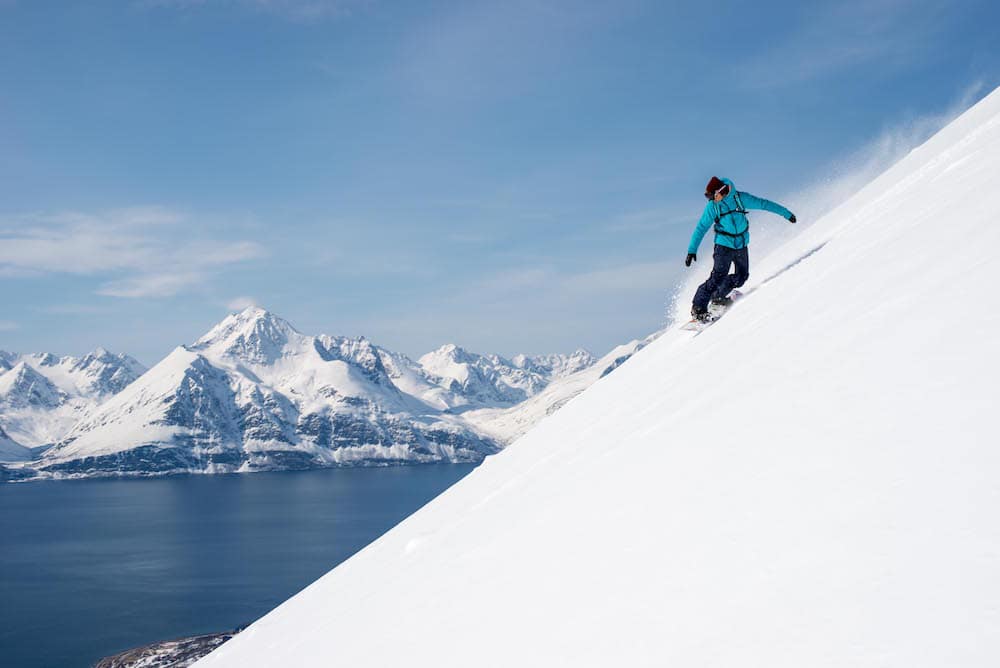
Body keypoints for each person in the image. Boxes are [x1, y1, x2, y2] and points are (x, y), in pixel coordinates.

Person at [685, 176, 796, 321]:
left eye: (713, 196)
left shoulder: (740, 198)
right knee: (718, 276)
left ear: (720, 191)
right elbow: (701, 227)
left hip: (741, 244)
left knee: (742, 276)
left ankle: (718, 297)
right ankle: (698, 308)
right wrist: (692, 250)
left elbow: (764, 204)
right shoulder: (713, 207)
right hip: (723, 245)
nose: (711, 200)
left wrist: (786, 214)